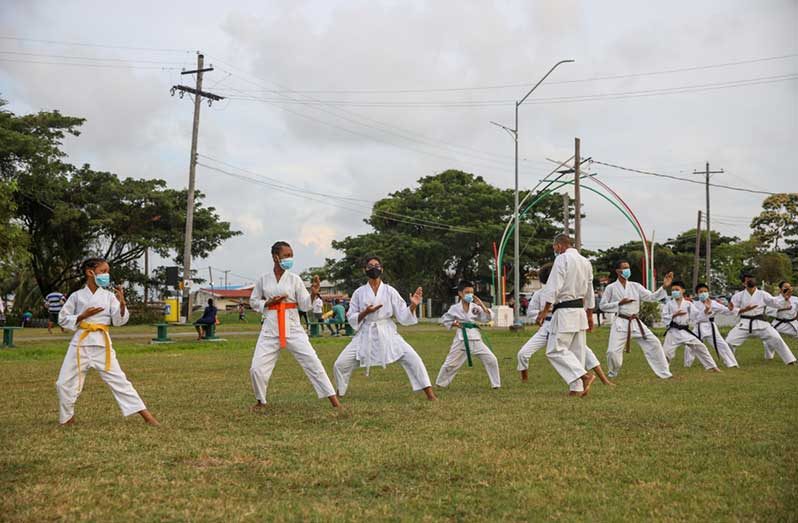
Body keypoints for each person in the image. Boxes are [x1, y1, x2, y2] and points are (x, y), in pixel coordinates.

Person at [55, 257, 159, 426]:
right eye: (103, 271)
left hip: (102, 344)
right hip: (80, 344)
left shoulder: (109, 296)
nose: (107, 275)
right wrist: (82, 316)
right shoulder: (77, 296)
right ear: (90, 273)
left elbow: (118, 321)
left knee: (120, 381)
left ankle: (147, 417)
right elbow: (63, 318)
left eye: (107, 272)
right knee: (63, 383)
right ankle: (67, 418)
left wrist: (122, 304)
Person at [249, 241, 342, 412]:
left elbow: (305, 305)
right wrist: (269, 302)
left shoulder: (295, 279)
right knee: (256, 368)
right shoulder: (263, 279)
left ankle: (334, 402)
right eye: (286, 256)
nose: (289, 259)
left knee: (312, 361)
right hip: (270, 326)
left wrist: (313, 295)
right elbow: (253, 302)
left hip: (293, 326)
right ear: (275, 257)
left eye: (291, 255)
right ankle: (261, 401)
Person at [333, 255, 436, 401]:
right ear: (365, 270)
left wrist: (413, 305)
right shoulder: (359, 292)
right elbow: (351, 317)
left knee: (414, 359)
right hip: (365, 333)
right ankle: (339, 393)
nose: (373, 268)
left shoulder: (390, 291)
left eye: (377, 265)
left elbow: (402, 315)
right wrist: (366, 312)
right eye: (370, 266)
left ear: (382, 269)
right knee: (340, 364)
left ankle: (430, 395)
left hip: (387, 331)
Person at [518, 263, 614, 386]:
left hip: (563, 324)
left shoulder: (565, 292)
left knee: (585, 352)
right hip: (546, 326)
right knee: (523, 353)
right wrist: (544, 312)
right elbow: (531, 312)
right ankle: (524, 379)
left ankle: (603, 380)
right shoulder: (539, 294)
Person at [535, 234, 598, 396]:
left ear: (560, 245)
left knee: (555, 350)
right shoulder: (586, 262)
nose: (554, 250)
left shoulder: (562, 259)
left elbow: (554, 286)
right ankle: (576, 388)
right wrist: (590, 314)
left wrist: (544, 310)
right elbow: (590, 290)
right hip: (579, 311)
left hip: (565, 311)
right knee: (577, 351)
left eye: (554, 247)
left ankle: (584, 376)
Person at [599, 260, 674, 379]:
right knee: (612, 352)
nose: (627, 270)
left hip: (636, 322)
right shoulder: (611, 288)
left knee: (654, 343)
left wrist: (663, 287)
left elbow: (651, 297)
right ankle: (612, 373)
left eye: (628, 267)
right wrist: (619, 303)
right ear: (618, 271)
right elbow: (602, 306)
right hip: (620, 322)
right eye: (624, 268)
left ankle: (665, 373)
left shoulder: (635, 286)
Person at [435, 280, 500, 389]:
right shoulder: (455, 308)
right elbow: (445, 320)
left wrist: (482, 305)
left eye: (471, 292)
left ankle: (496, 384)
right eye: (467, 292)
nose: (470, 295)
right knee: (451, 364)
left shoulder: (475, 307)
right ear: (460, 293)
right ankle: (440, 383)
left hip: (475, 338)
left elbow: (487, 318)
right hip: (462, 339)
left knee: (491, 359)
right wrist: (454, 323)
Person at [725, 274, 796, 365]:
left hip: (761, 323)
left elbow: (775, 303)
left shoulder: (762, 294)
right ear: (744, 283)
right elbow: (732, 309)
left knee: (776, 338)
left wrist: (785, 299)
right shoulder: (738, 296)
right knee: (729, 341)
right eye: (748, 280)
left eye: (752, 279)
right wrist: (744, 310)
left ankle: (790, 361)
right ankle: (730, 362)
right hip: (744, 323)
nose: (751, 281)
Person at [661, 280, 720, 373]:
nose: (674, 292)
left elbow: (697, 316)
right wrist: (674, 315)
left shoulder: (688, 304)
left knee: (700, 347)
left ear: (683, 290)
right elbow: (664, 318)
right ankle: (663, 371)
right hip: (673, 331)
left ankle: (712, 367)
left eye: (677, 289)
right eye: (672, 290)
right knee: (666, 353)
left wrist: (706, 310)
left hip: (685, 331)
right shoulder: (668, 304)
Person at [685, 283, 739, 368]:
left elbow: (725, 310)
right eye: (701, 292)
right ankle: (687, 364)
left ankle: (732, 363)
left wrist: (731, 309)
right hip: (698, 327)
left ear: (708, 292)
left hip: (711, 326)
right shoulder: (694, 304)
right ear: (697, 294)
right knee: (690, 345)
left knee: (722, 344)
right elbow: (694, 318)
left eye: (705, 291)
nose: (703, 293)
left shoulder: (714, 303)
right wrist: (705, 310)